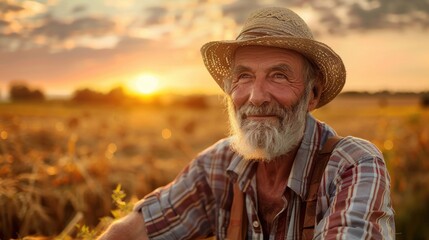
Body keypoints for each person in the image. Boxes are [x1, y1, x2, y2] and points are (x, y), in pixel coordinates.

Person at [98, 7, 395, 240]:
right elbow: (132, 232)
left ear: (312, 94)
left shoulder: (352, 165)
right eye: (243, 76)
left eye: (279, 75)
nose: (256, 97)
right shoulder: (218, 165)